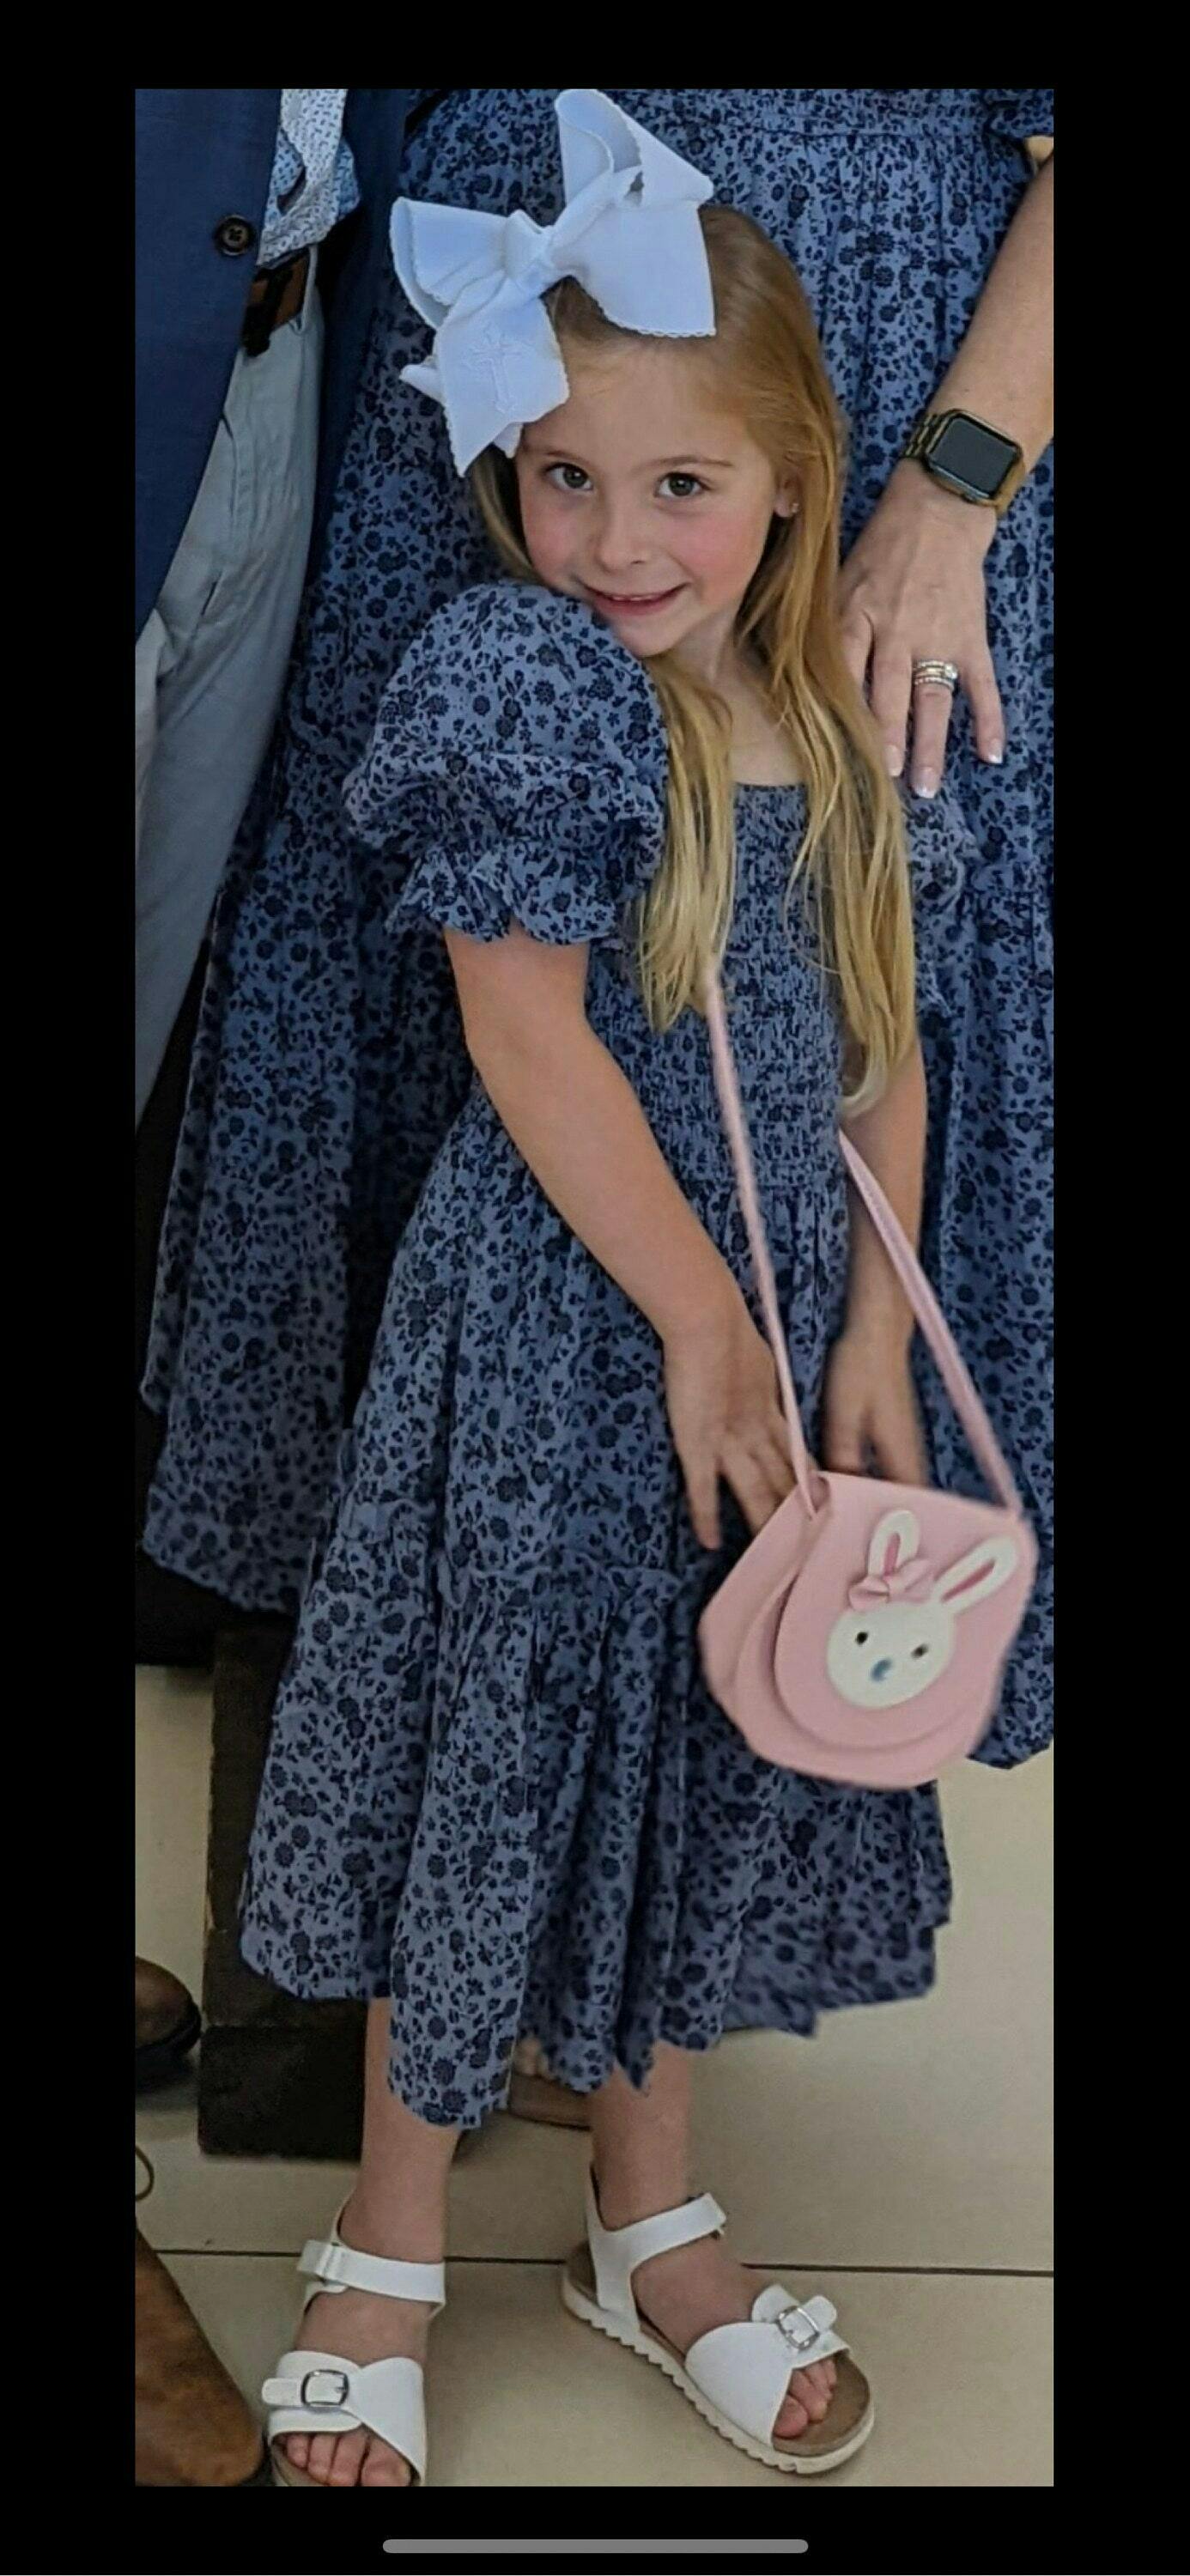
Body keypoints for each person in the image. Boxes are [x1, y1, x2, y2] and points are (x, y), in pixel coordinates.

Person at [142, 87, 1052, 2127]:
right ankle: (367, 2019)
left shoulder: (778, 579)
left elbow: (880, 1046)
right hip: (485, 356)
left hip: (854, 399)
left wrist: (957, 480)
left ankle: (636, 2038)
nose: (610, 546)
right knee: (441, 1146)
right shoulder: (518, 623)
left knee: (801, 1009)